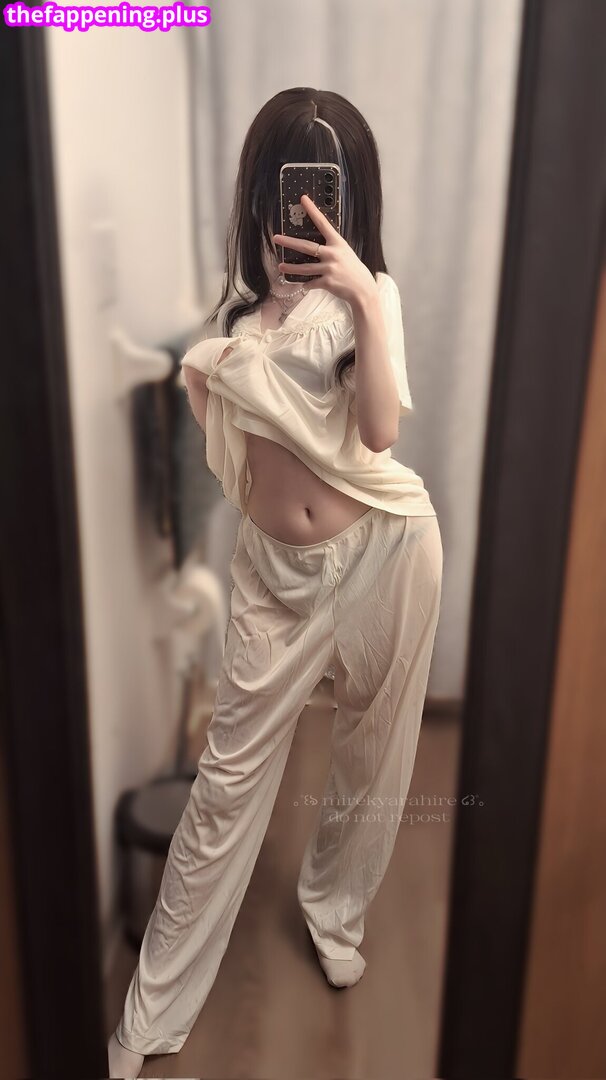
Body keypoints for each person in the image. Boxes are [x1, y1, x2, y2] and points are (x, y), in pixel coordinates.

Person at [108, 87, 443, 1079]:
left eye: (322, 193)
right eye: (283, 191)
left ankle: (336, 917)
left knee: (373, 758)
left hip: (385, 552)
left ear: (350, 197)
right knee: (223, 791)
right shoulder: (241, 316)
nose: (299, 215)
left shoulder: (372, 298)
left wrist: (362, 296)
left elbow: (377, 430)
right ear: (259, 193)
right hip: (273, 581)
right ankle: (150, 1014)